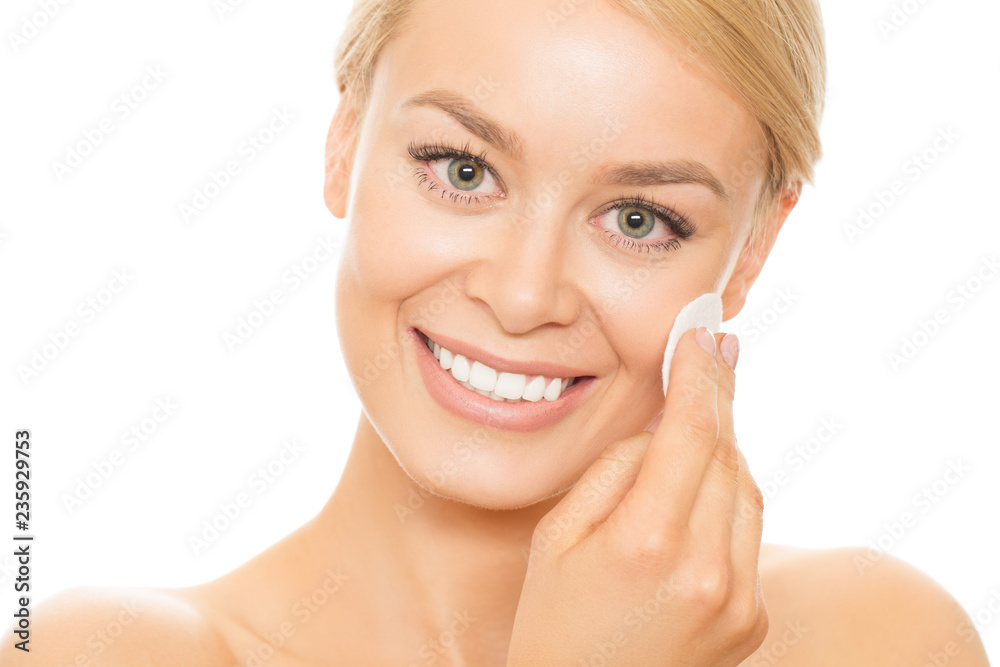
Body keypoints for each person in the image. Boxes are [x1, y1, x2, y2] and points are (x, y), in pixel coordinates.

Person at [6, 0, 990, 664]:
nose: (524, 297)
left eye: (640, 218)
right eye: (463, 169)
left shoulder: (875, 635)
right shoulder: (99, 652)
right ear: (343, 140)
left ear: (749, 252)